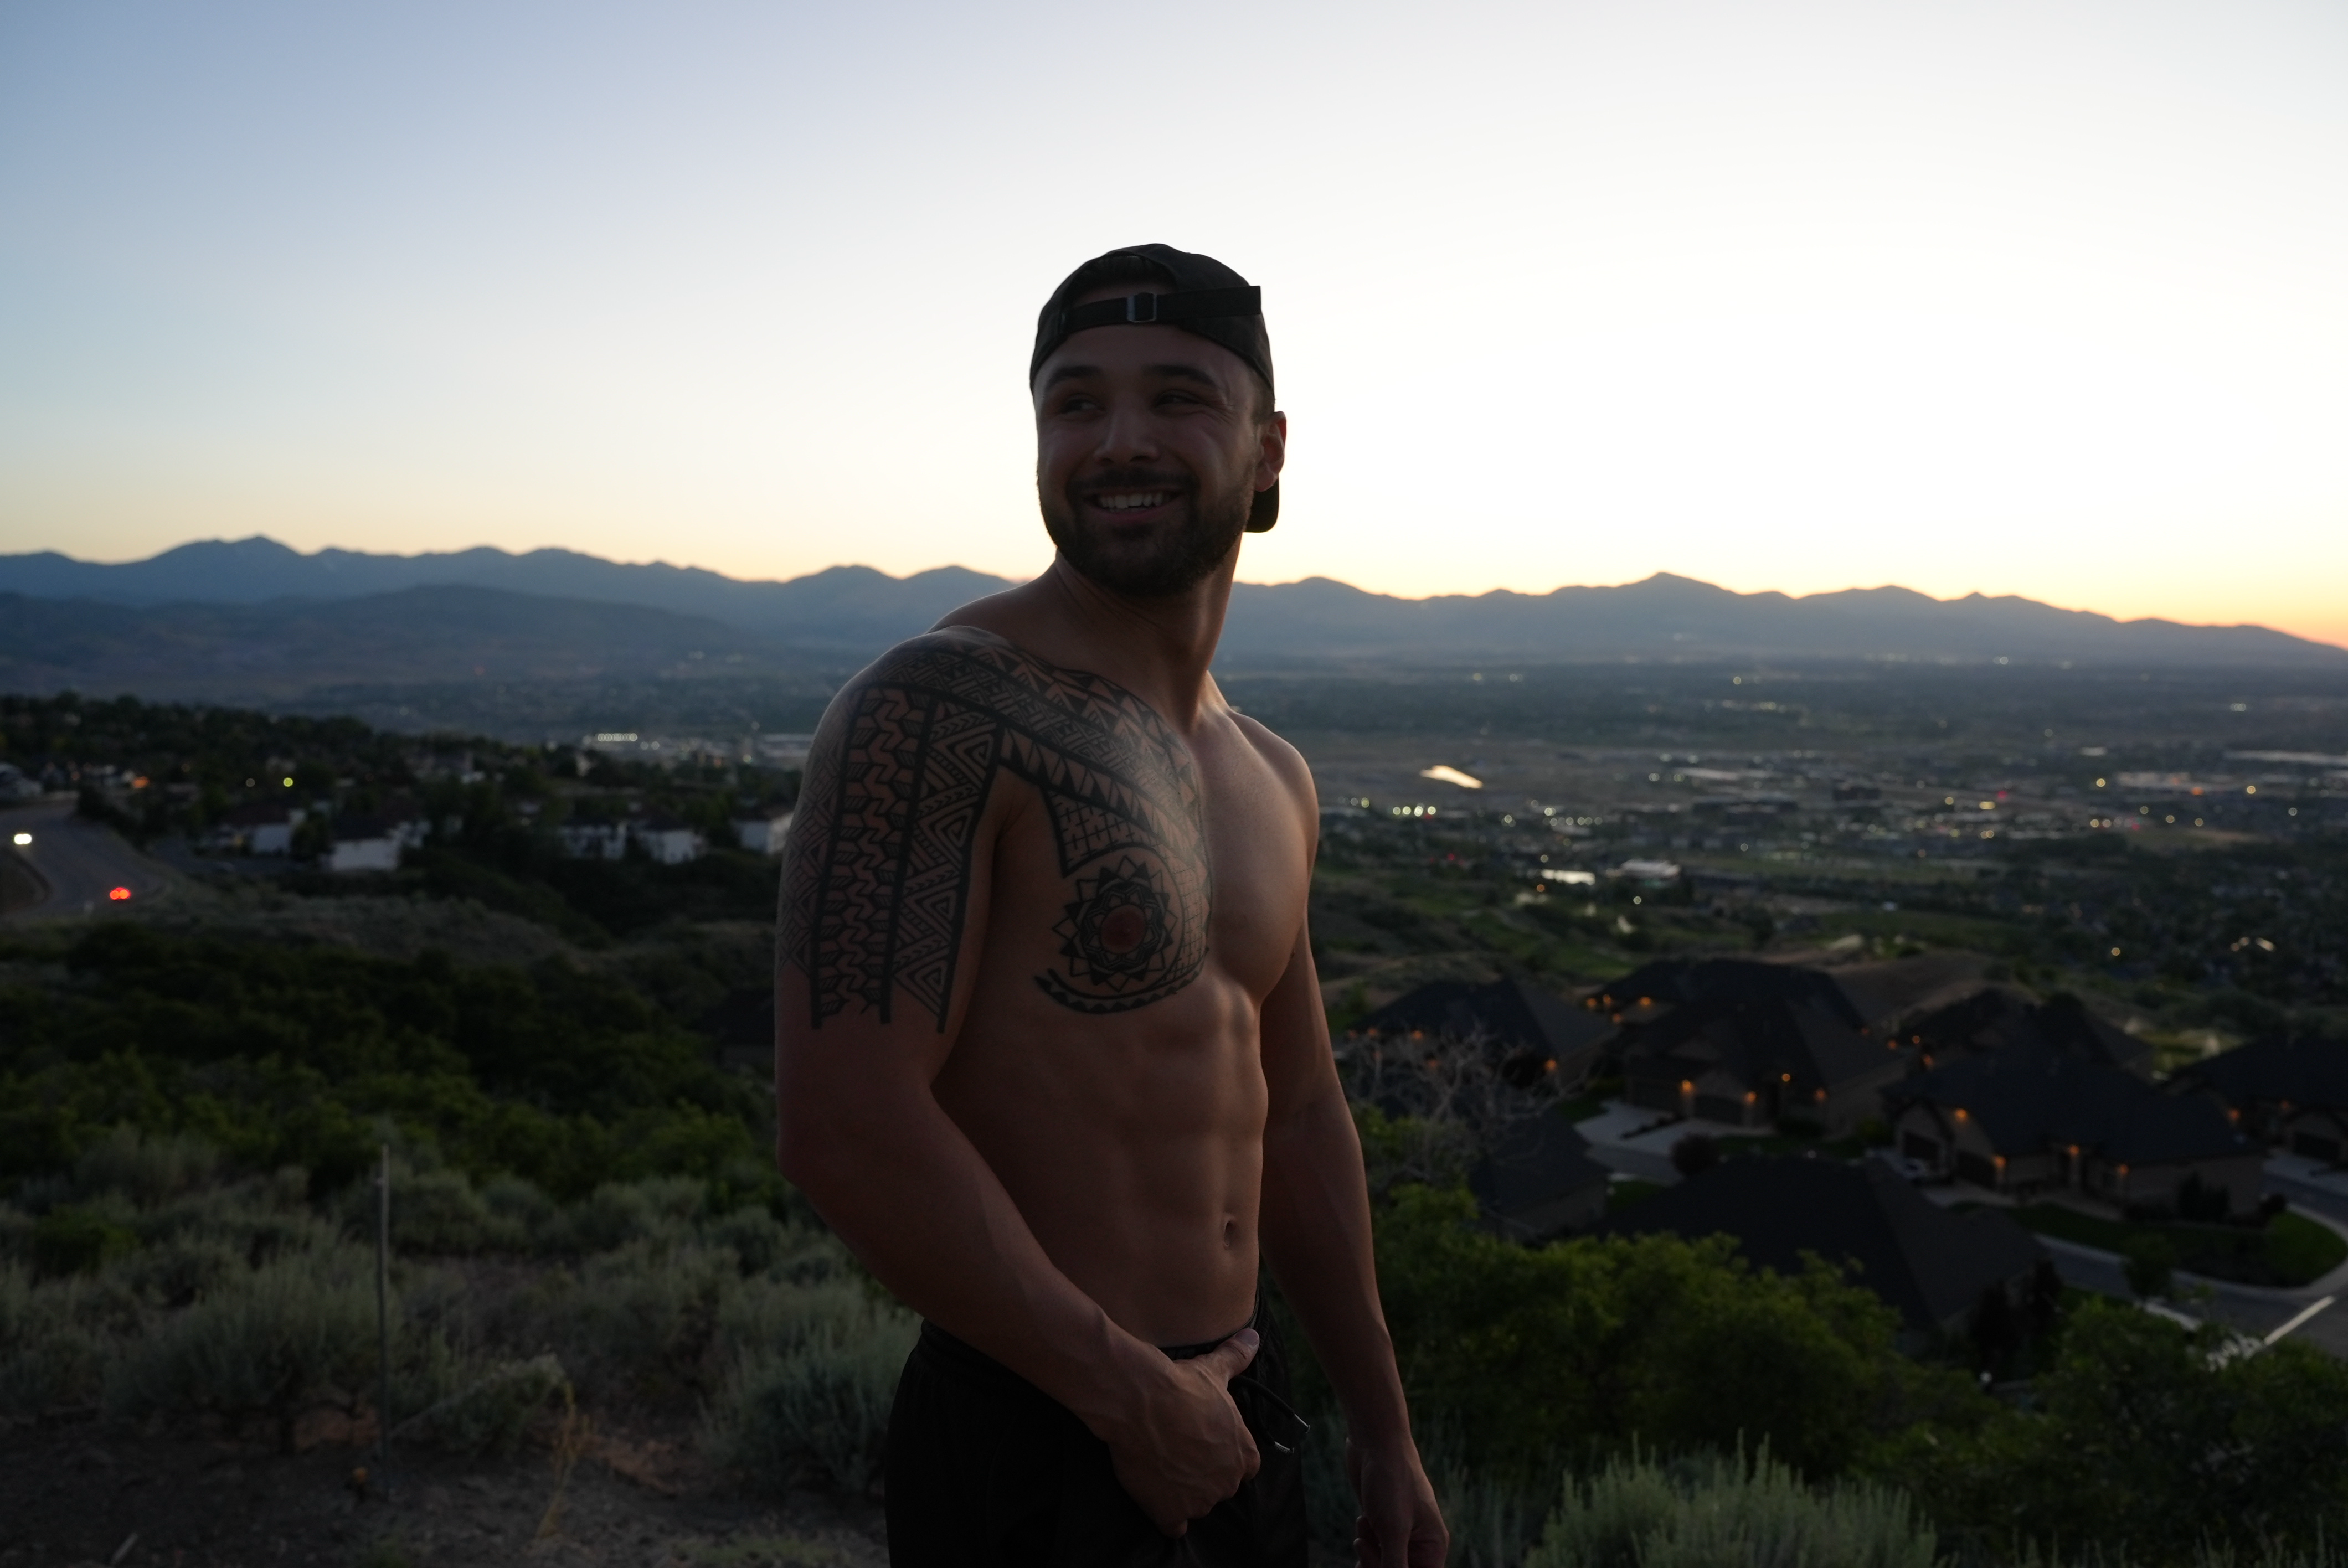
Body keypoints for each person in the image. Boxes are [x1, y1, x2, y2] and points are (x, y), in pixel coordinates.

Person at [774, 244, 1447, 1567]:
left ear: (1267, 448)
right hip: (1036, 1418)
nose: (1117, 440)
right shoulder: (938, 707)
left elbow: (1297, 1114)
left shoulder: (1271, 776)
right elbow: (844, 1125)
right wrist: (1125, 1397)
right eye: (1074, 403)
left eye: (1176, 398)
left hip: (1237, 1410)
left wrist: (1383, 1430)